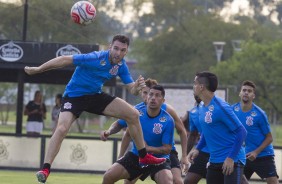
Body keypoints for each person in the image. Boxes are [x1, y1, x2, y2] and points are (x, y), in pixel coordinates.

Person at [24, 34, 165, 183]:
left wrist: (136, 87)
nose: (118, 53)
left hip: (95, 96)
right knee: (62, 129)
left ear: (126, 51)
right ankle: (45, 169)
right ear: (110, 47)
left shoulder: (121, 65)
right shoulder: (95, 57)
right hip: (74, 96)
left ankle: (143, 156)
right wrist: (38, 69)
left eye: (122, 50)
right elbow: (64, 59)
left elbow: (131, 89)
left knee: (133, 114)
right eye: (116, 48)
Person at [101, 78, 188, 184]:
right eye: (149, 94)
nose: (152, 98)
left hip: (159, 157)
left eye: (157, 95)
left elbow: (169, 147)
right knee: (109, 176)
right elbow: (123, 129)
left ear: (162, 100)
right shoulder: (135, 112)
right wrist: (109, 132)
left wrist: (184, 156)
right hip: (137, 155)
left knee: (172, 181)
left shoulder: (168, 117)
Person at [188, 71, 247, 184]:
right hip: (214, 160)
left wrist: (230, 158)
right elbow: (207, 131)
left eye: (195, 83)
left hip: (233, 159)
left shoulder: (221, 106)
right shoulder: (201, 106)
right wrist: (198, 149)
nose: (193, 86)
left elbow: (242, 132)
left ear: (201, 87)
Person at [232, 80, 279, 184]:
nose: (246, 93)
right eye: (244, 90)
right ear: (240, 93)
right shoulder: (232, 110)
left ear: (253, 95)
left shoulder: (260, 114)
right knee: (237, 181)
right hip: (244, 155)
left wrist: (256, 152)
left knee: (273, 182)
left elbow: (269, 138)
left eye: (249, 91)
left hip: (263, 155)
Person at [184, 95, 210, 184]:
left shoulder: (214, 107)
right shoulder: (193, 112)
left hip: (218, 152)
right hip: (202, 152)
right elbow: (193, 135)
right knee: (188, 181)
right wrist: (184, 155)